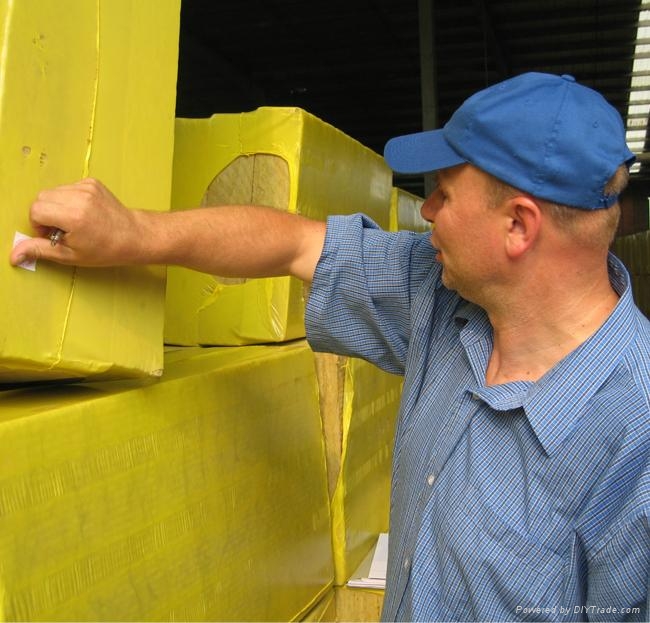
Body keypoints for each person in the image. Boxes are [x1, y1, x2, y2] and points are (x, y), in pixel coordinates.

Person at [10, 72, 650, 621]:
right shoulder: (438, 296)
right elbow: (293, 244)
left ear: (517, 225)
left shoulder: (634, 435)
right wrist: (134, 234)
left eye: (445, 193)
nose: (425, 211)